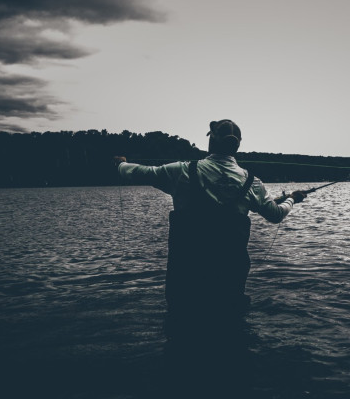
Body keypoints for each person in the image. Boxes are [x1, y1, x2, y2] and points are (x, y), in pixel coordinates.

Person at [115, 119, 306, 334]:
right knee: (230, 331)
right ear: (238, 145)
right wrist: (291, 200)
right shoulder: (252, 182)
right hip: (229, 276)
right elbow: (275, 214)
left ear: (211, 141)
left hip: (186, 278)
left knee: (182, 332)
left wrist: (120, 164)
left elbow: (139, 172)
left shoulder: (182, 171)